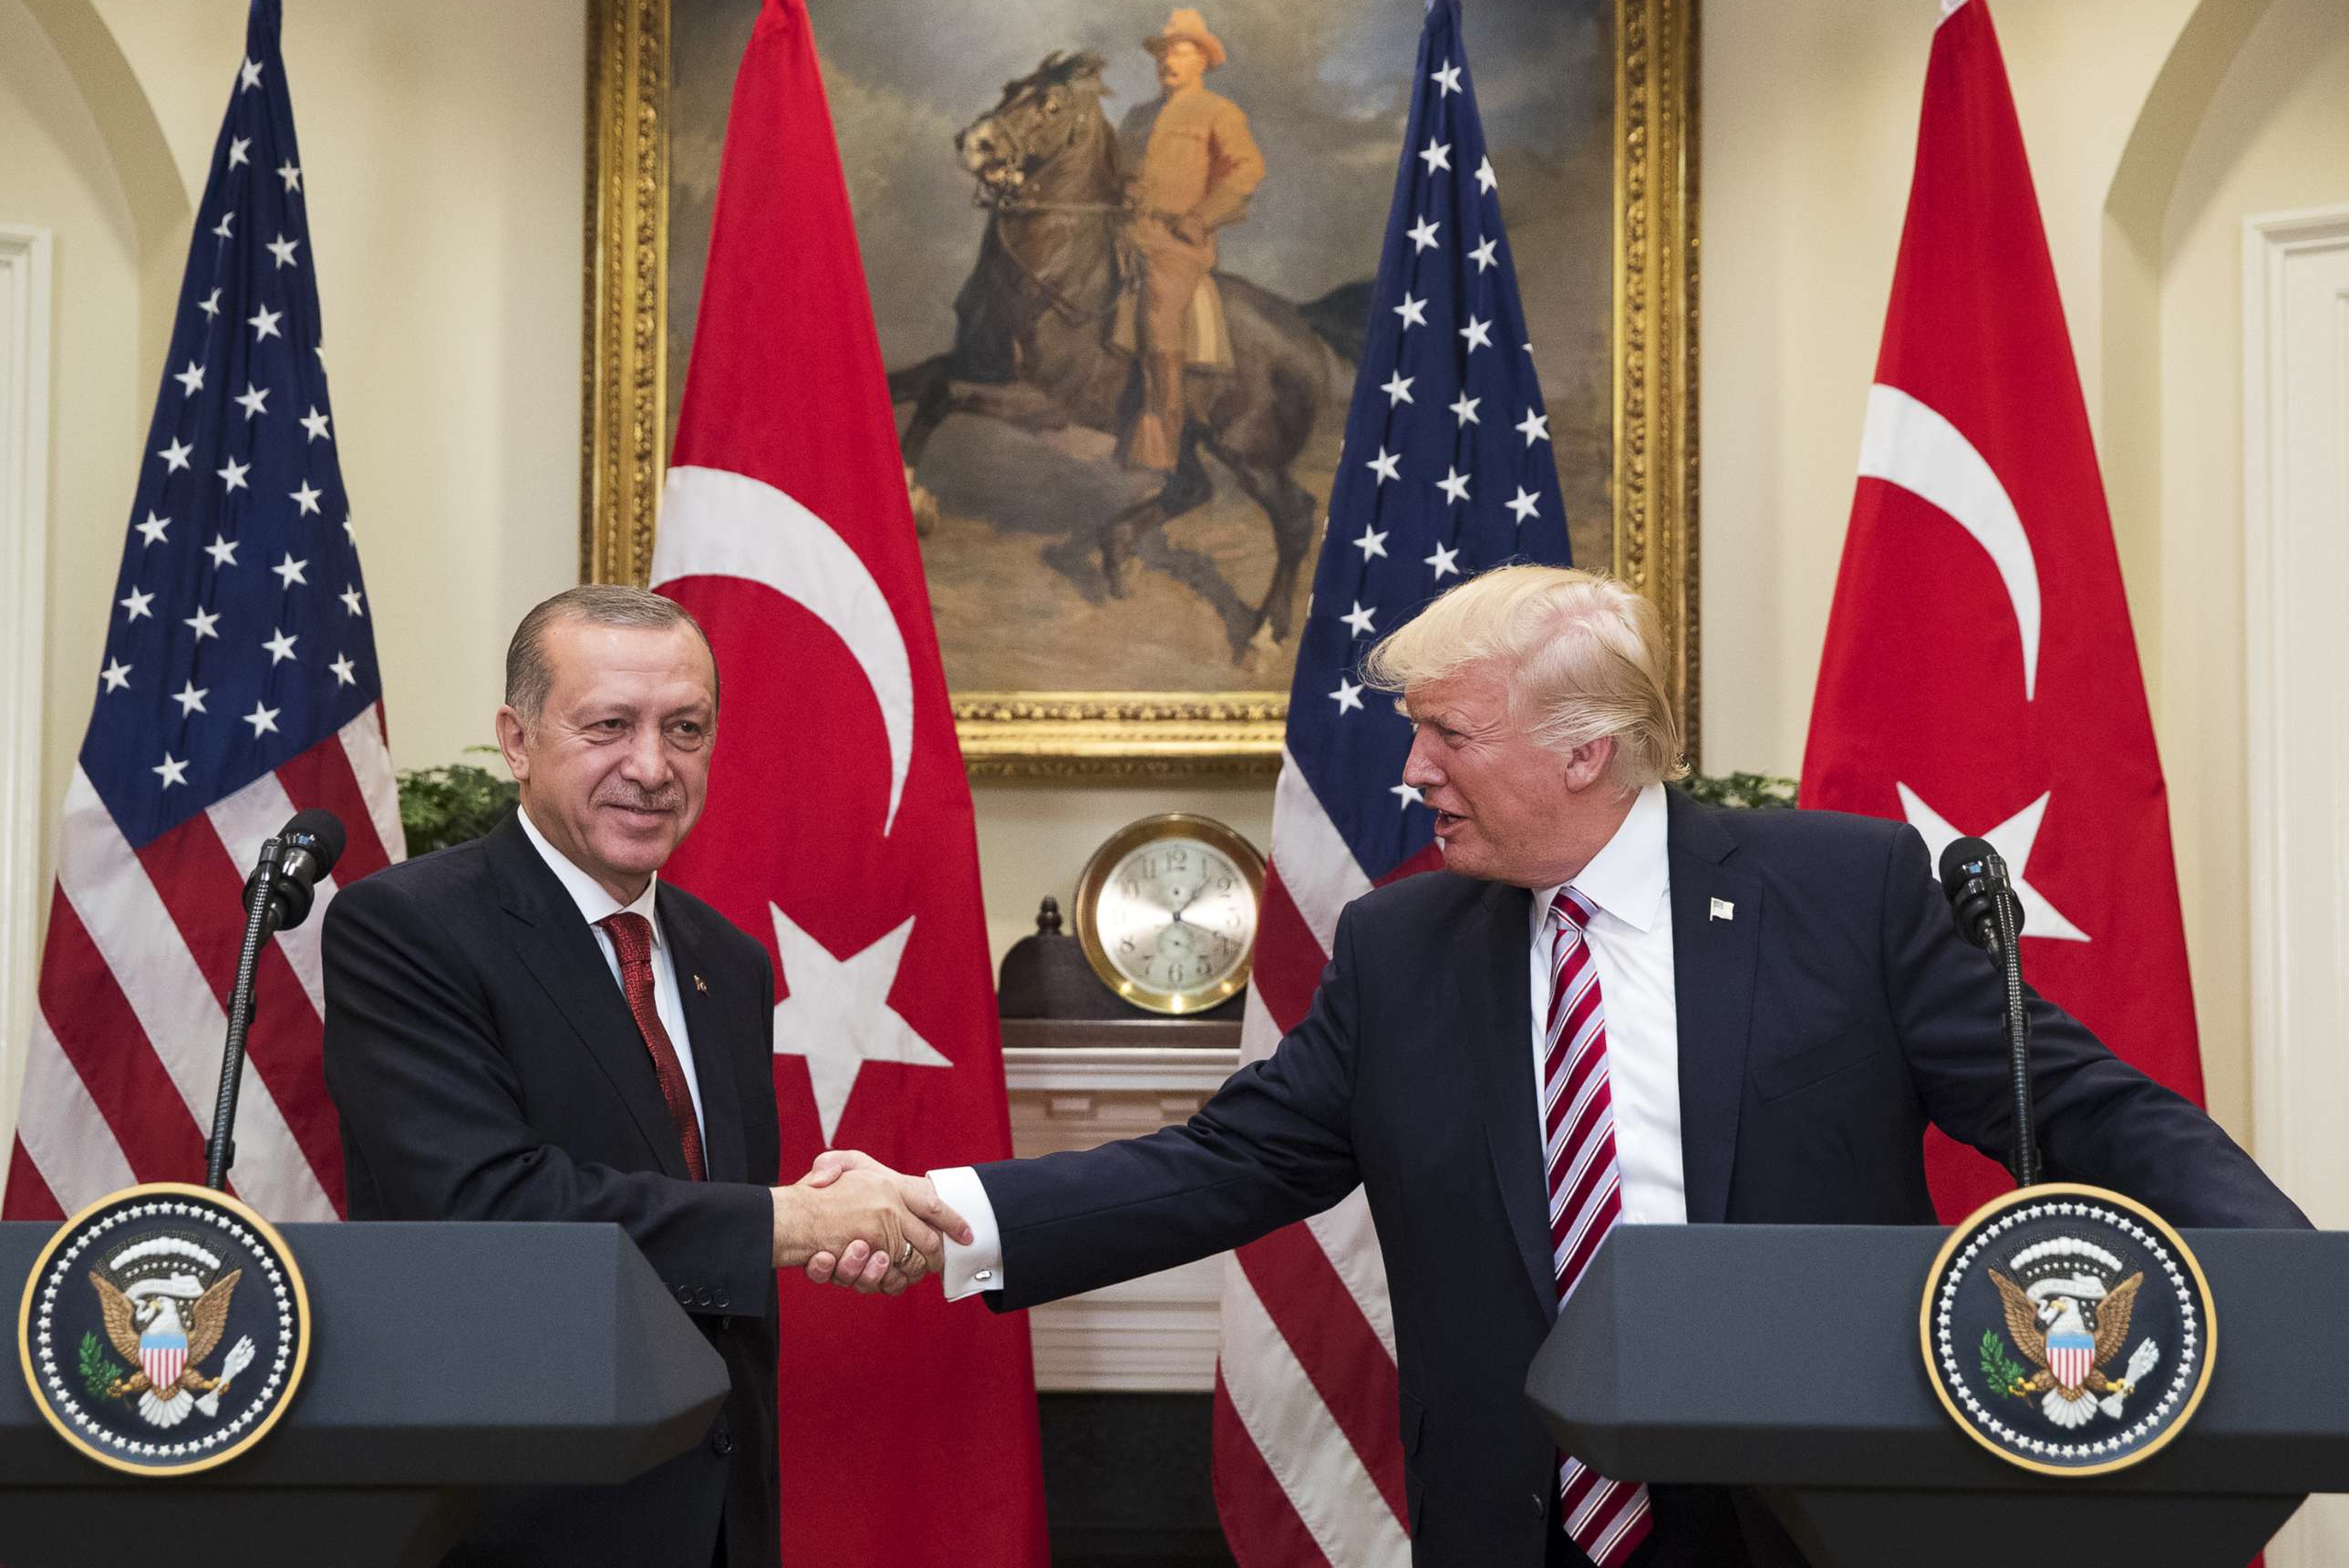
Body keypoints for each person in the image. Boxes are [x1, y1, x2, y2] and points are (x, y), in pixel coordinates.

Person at [812, 566, 2309, 1567]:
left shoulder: (1840, 893)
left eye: (1446, 734)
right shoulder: (1405, 946)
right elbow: (1222, 1161)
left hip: (1812, 1507)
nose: (1413, 772)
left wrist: (2286, 1289)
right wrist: (943, 1207)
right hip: (1517, 1515)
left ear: (1587, 747)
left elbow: (2090, 1110)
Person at [322, 586, 966, 1568]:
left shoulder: (730, 961)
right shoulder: (409, 928)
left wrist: (825, 1231)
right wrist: (797, 1223)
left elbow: (713, 1253)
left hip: (715, 1518)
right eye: (609, 726)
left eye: (686, 728)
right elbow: (482, 1207)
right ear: (517, 738)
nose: (653, 767)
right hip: (513, 1523)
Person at [1115, 7, 1265, 471]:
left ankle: (1163, 433)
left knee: (1159, 315)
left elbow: (1248, 169)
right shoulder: (1138, 116)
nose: (1168, 62)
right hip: (1125, 231)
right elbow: (1119, 169)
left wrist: (1201, 218)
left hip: (1178, 244)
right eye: (1163, 54)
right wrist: (1124, 188)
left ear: (1203, 61)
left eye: (1180, 52)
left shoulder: (1218, 112)